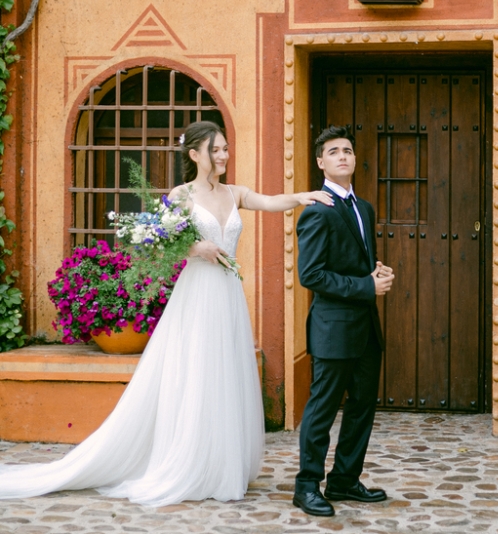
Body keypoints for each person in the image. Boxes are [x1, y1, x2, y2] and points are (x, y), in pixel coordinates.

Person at [0, 120, 333, 506]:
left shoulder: (234, 193)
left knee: (223, 374)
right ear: (195, 155)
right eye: (216, 149)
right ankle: (189, 463)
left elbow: (271, 201)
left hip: (227, 294)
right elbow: (154, 245)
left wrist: (306, 195)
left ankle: (220, 463)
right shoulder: (181, 195)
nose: (224, 155)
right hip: (197, 294)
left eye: (226, 148)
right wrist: (196, 249)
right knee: (195, 373)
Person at [293, 125, 395, 517]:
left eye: (348, 150)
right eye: (333, 151)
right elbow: (311, 275)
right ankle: (306, 486)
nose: (342, 156)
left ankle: (344, 480)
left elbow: (357, 264)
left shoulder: (363, 207)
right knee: (322, 408)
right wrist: (365, 286)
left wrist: (377, 274)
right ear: (321, 162)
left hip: (366, 327)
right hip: (333, 328)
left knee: (362, 407)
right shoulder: (317, 212)